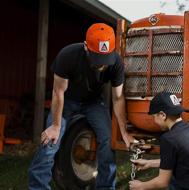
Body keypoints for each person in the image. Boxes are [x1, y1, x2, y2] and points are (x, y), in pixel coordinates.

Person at [28, 23, 135, 190]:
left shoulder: (116, 63)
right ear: (86, 47)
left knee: (107, 141)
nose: (101, 65)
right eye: (97, 59)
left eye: (105, 59)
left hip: (94, 102)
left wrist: (123, 131)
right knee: (50, 141)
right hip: (67, 100)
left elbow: (118, 98)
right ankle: (37, 187)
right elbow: (58, 93)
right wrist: (55, 126)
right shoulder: (68, 55)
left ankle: (106, 187)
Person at [129, 91, 189, 190]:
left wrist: (141, 186)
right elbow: (182, 160)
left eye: (154, 116)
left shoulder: (169, 139)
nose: (154, 121)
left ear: (162, 115)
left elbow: (162, 182)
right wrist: (149, 163)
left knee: (173, 181)